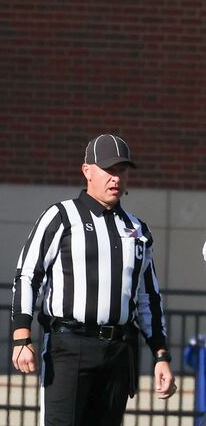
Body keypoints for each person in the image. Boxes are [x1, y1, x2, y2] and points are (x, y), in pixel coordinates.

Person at [11, 134, 177, 425]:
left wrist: (161, 355)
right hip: (69, 345)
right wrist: (21, 336)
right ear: (87, 170)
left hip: (118, 351)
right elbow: (28, 275)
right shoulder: (60, 216)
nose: (116, 178)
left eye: (122, 170)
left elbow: (148, 296)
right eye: (108, 170)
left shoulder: (137, 228)